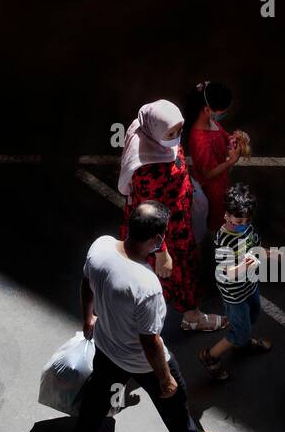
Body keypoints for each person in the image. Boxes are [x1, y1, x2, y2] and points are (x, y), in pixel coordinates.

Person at [71, 200, 226, 432]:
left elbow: (87, 283)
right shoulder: (147, 286)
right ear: (157, 239)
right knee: (174, 397)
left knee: (96, 399)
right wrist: (164, 378)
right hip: (141, 360)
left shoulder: (101, 247)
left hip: (106, 346)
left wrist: (88, 318)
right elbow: (150, 340)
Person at [117, 99, 226, 332]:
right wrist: (161, 251)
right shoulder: (148, 171)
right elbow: (148, 217)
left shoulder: (152, 134)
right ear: (156, 130)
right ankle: (191, 317)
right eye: (171, 132)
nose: (176, 136)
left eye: (179, 130)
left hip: (177, 216)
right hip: (166, 232)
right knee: (175, 271)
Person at [199, 184, 274, 381]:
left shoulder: (247, 228)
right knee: (240, 330)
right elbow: (227, 273)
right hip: (235, 294)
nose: (244, 223)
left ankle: (242, 341)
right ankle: (210, 356)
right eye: (239, 220)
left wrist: (266, 253)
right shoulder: (224, 240)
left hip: (249, 285)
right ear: (227, 215)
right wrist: (249, 262)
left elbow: (254, 246)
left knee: (252, 315)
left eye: (247, 220)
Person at [181, 80, 251, 236]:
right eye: (223, 112)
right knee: (216, 217)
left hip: (220, 182)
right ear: (207, 109)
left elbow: (222, 137)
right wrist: (230, 161)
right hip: (211, 189)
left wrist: (233, 139)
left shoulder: (210, 122)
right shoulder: (199, 139)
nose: (224, 115)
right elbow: (207, 174)